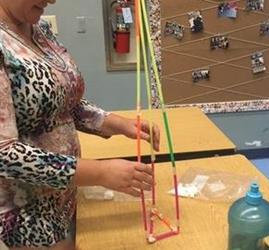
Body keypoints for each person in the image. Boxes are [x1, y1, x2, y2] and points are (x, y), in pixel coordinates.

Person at [0, 0, 160, 249]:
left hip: (66, 195)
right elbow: (4, 154)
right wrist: (101, 173)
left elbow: (64, 103)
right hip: (28, 213)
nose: (53, 0)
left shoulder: (39, 28)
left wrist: (116, 123)